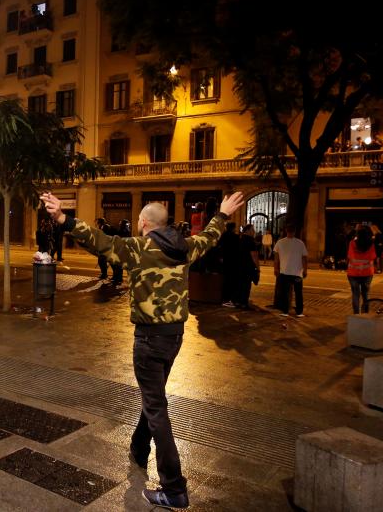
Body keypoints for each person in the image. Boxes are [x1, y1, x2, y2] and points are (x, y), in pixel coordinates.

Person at [40, 190, 245, 510]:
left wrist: (63, 218)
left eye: (138, 220)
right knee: (155, 395)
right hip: (175, 337)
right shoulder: (183, 247)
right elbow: (209, 237)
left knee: (156, 406)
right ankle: (138, 447)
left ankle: (174, 488)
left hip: (149, 339)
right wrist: (222, 214)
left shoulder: (137, 248)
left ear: (145, 223)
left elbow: (99, 241)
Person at [274, 224, 308, 318]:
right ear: (295, 231)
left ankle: (285, 311)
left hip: (284, 272)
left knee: (285, 293)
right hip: (297, 273)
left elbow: (276, 258)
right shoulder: (300, 243)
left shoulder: (280, 242)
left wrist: (276, 269)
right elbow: (304, 258)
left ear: (286, 230)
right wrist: (305, 270)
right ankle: (299, 312)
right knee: (298, 293)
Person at [346, 225, 376, 314]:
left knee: (355, 295)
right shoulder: (371, 244)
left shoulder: (352, 243)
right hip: (367, 273)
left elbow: (349, 255)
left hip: (353, 273)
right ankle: (365, 314)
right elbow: (373, 257)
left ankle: (356, 314)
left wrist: (355, 229)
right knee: (365, 294)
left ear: (358, 235)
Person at [234, 224, 259, 309]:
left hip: (239, 265)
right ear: (247, 230)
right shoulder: (251, 241)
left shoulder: (239, 239)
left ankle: (238, 302)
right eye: (252, 230)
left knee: (239, 284)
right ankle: (244, 303)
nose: (254, 231)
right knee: (246, 285)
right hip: (248, 266)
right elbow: (254, 256)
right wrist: (258, 268)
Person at [219, 222, 240, 307]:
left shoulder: (223, 236)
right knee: (231, 280)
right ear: (233, 228)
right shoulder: (235, 237)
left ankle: (225, 298)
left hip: (225, 259)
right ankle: (229, 299)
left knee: (226, 279)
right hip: (233, 260)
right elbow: (237, 248)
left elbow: (220, 246)